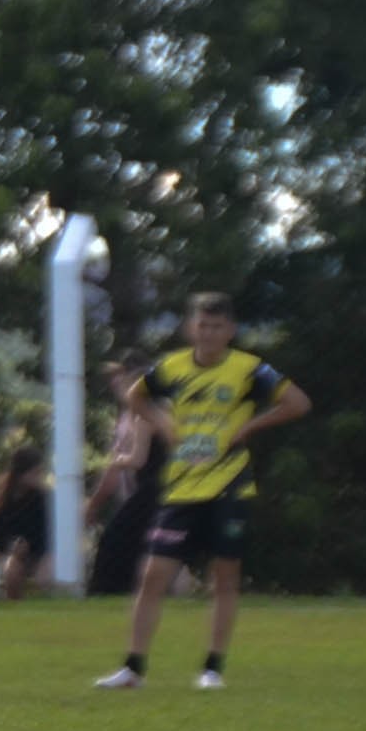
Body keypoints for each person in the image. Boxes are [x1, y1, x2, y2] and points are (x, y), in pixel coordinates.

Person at [96, 294, 310, 691]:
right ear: (190, 328)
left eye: (217, 327)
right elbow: (135, 396)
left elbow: (298, 402)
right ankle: (133, 668)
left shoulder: (249, 370)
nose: (208, 333)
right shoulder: (172, 368)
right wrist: (162, 421)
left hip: (229, 486)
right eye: (202, 325)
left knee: (224, 577)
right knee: (152, 575)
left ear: (229, 331)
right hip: (182, 487)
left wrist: (248, 428)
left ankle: (212, 669)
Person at [86, 359, 167, 599]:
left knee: (114, 538)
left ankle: (107, 590)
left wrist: (116, 460)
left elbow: (138, 460)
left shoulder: (144, 419)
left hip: (150, 489)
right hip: (163, 487)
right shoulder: (163, 415)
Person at [0, 447, 51, 600]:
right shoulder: (4, 499)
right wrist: (10, 546)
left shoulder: (43, 498)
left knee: (44, 577)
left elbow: (48, 531)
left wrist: (34, 547)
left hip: (43, 551)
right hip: (17, 553)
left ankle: (48, 609)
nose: (39, 477)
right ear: (20, 474)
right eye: (35, 473)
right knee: (12, 569)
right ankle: (15, 607)